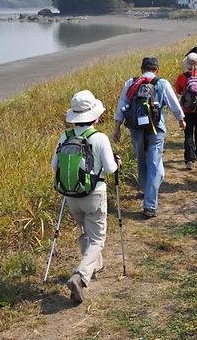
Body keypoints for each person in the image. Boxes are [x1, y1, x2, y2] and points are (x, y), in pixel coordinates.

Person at [52, 90, 118, 303]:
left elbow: (55, 166)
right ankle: (80, 275)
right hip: (95, 193)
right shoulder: (99, 138)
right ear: (95, 116)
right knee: (98, 238)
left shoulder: (65, 137)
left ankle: (95, 266)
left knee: (86, 231)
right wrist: (118, 162)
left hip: (71, 195)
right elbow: (109, 168)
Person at [113, 56, 185, 218]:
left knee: (142, 161)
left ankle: (146, 190)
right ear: (156, 69)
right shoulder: (161, 83)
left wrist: (117, 128)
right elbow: (174, 103)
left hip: (136, 129)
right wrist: (181, 120)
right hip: (156, 129)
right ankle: (150, 204)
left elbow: (121, 105)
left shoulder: (131, 83)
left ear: (141, 69)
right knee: (154, 163)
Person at [174, 53, 197, 170]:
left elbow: (178, 90)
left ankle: (189, 159)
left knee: (188, 134)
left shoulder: (182, 77)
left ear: (187, 65)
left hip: (187, 110)